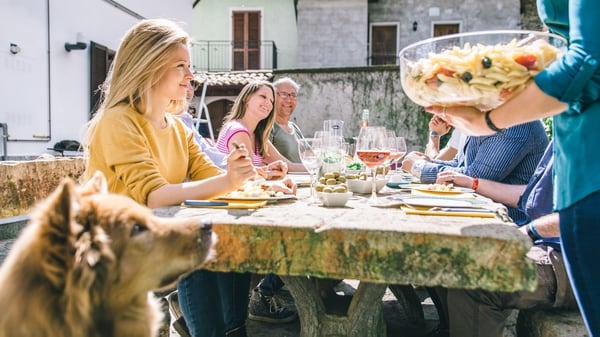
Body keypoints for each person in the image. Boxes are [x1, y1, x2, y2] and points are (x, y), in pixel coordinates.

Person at [81, 19, 261, 337]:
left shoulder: (177, 127)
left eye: (189, 66)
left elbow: (212, 176)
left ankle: (235, 330)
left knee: (230, 238)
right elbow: (155, 195)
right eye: (180, 66)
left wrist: (257, 177)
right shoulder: (118, 121)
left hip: (152, 239)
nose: (191, 76)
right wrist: (228, 181)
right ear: (148, 67)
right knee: (193, 240)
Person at [429, 2, 600, 334]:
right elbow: (529, 198)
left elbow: (586, 60)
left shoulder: (532, 127)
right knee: (449, 259)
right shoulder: (565, 139)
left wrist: (490, 119)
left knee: (468, 273)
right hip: (559, 234)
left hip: (557, 250)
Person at [429, 142, 578, 337]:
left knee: (472, 278)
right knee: (448, 254)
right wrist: (473, 183)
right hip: (548, 246)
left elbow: (587, 213)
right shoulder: (569, 128)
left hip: (576, 260)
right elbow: (531, 197)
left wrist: (529, 231)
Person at [401, 121, 548, 223]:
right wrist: (429, 162)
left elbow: (474, 177)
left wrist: (419, 167)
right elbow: (459, 164)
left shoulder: (513, 125)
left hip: (511, 222)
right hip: (479, 213)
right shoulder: (483, 123)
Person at [270, 77, 305, 163]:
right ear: (273, 98)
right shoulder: (268, 127)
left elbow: (308, 154)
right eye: (284, 94)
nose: (289, 100)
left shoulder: (294, 127)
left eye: (293, 95)